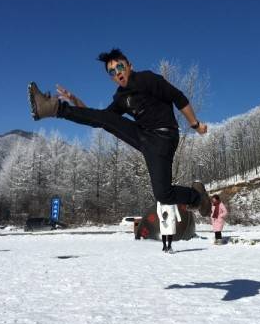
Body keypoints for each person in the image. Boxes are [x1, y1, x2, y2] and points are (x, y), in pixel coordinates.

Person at [27, 48, 212, 216]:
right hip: (144, 137)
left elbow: (178, 98)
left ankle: (196, 196)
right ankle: (54, 108)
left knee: (164, 194)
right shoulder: (120, 97)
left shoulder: (147, 79)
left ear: (129, 66)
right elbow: (99, 118)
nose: (118, 73)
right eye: (112, 72)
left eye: (120, 67)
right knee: (163, 194)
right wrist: (74, 99)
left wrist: (195, 125)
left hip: (164, 137)